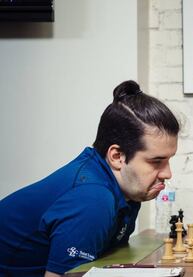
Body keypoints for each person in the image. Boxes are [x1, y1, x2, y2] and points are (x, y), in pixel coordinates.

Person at [0, 80, 180, 276]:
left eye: (169, 160)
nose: (167, 173)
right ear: (117, 157)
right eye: (156, 161)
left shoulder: (126, 189)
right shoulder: (92, 199)